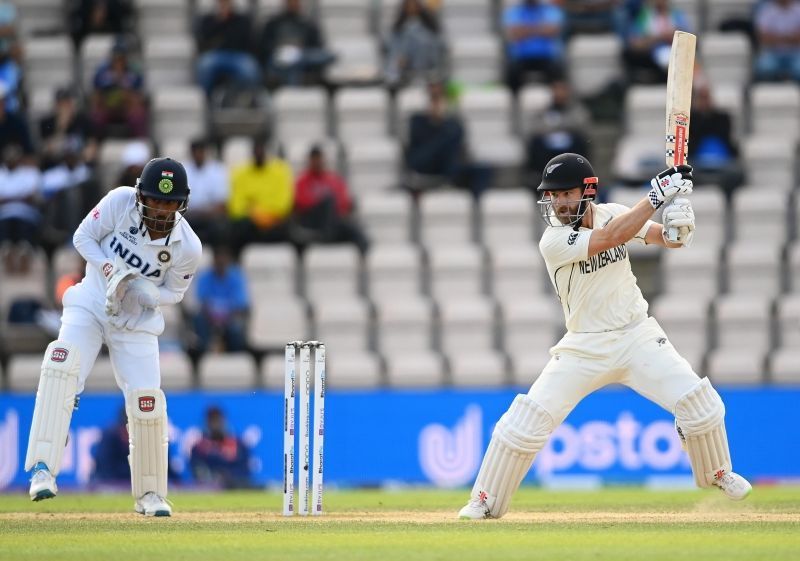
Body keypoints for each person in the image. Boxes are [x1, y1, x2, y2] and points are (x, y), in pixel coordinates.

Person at [458, 153, 751, 519]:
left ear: (588, 190)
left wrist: (679, 229)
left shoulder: (614, 212)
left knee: (702, 407)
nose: (559, 202)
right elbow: (613, 236)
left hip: (636, 336)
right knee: (523, 425)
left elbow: (663, 238)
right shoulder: (553, 240)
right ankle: (484, 500)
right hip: (584, 346)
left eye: (566, 193)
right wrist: (656, 198)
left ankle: (717, 473)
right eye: (553, 195)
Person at [25, 157, 203, 517]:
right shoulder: (119, 202)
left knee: (146, 401)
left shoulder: (189, 247)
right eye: (155, 200)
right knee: (61, 367)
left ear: (181, 203)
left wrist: (148, 295)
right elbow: (82, 237)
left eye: (169, 203)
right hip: (92, 301)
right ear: (141, 195)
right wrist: (111, 270)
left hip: (135, 322)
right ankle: (43, 470)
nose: (161, 209)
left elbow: (175, 294)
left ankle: (151, 494)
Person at [405, 82, 491, 197]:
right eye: (433, 99)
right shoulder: (417, 122)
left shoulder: (453, 124)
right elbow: (417, 159)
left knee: (483, 170)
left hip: (449, 168)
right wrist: (438, 128)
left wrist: (443, 124)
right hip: (426, 167)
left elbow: (458, 150)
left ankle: (476, 208)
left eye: (439, 99)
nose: (436, 104)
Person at [294, 145, 369, 253]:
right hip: (312, 221)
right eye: (314, 159)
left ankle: (364, 258)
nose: (317, 162)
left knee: (355, 230)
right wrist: (322, 202)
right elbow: (301, 203)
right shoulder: (302, 181)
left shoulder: (333, 179)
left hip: (333, 221)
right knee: (328, 201)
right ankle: (327, 235)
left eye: (319, 158)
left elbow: (344, 203)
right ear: (309, 160)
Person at [227, 136, 294, 256]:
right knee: (233, 230)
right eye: (256, 151)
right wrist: (259, 214)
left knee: (292, 230)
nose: (259, 154)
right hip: (250, 225)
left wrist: (256, 210)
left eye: (261, 150)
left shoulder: (280, 171)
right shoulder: (240, 173)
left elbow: (283, 205)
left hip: (274, 224)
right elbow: (236, 207)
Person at [525, 80, 591, 188]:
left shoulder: (576, 109)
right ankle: (538, 174)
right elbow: (536, 127)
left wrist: (561, 127)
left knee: (580, 141)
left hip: (569, 140)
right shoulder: (544, 110)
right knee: (536, 143)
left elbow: (581, 125)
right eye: (556, 90)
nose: (559, 94)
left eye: (562, 90)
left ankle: (580, 171)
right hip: (548, 141)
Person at [258, 0, 334, 87]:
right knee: (290, 64)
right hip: (279, 59)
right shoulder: (273, 23)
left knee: (327, 56)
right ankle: (292, 91)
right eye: (291, 2)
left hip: (304, 57)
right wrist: (280, 51)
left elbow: (317, 46)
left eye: (296, 2)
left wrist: (298, 53)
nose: (293, 4)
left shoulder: (307, 24)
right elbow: (264, 46)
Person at [191, 244, 249, 354]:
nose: (221, 262)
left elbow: (240, 304)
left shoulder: (237, 276)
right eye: (218, 259)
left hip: (230, 316)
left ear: (229, 260)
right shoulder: (204, 276)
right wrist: (214, 317)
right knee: (199, 320)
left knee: (236, 328)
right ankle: (204, 356)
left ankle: (235, 356)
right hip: (209, 316)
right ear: (214, 260)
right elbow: (202, 301)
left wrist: (225, 317)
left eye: (224, 259)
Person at [195, 0, 261, 96]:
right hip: (216, 55)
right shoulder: (209, 20)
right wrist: (219, 21)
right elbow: (204, 38)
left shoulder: (242, 20)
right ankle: (205, 99)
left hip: (238, 56)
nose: (224, 5)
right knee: (205, 64)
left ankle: (249, 98)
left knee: (250, 68)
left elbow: (247, 40)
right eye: (222, 3)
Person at [502, 0, 566, 92]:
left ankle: (559, 105)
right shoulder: (514, 11)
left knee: (559, 76)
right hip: (521, 58)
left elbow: (552, 31)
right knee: (511, 73)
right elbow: (515, 33)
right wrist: (540, 29)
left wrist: (526, 30)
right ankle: (514, 102)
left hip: (547, 57)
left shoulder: (551, 10)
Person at [89, 37, 148, 138]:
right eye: (116, 58)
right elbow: (96, 93)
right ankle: (95, 143)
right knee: (96, 116)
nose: (118, 61)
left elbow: (139, 96)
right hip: (107, 106)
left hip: (127, 107)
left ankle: (139, 143)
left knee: (138, 115)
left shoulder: (134, 72)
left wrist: (126, 94)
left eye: (121, 58)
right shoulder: (102, 72)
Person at [623, 0, 691, 83]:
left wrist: (671, 36)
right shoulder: (644, 16)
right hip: (653, 55)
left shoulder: (676, 15)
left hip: (676, 52)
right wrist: (659, 38)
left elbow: (688, 37)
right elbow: (634, 43)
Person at [383, 0, 447, 88]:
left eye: (414, 6)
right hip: (403, 66)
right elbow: (393, 46)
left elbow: (436, 44)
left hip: (425, 63)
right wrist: (399, 58)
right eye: (409, 6)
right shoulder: (399, 28)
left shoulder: (428, 27)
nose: (411, 9)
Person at [190, 406, 253, 489]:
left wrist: (229, 476)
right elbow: (197, 470)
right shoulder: (199, 447)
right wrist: (213, 476)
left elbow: (245, 469)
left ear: (224, 421)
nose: (216, 425)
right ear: (207, 422)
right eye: (212, 421)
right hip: (210, 488)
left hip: (234, 486)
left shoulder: (238, 445)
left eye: (218, 420)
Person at [182, 138, 230, 245]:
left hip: (209, 216)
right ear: (191, 153)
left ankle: (218, 258)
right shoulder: (182, 170)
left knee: (221, 226)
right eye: (196, 151)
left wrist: (205, 213)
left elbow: (222, 204)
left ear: (206, 152)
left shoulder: (218, 170)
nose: (199, 155)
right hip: (187, 215)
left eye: (201, 151)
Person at [754, 0, 800, 82]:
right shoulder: (767, 10)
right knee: (765, 68)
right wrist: (790, 37)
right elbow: (764, 39)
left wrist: (776, 37)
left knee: (798, 68)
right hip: (773, 52)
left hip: (796, 52)